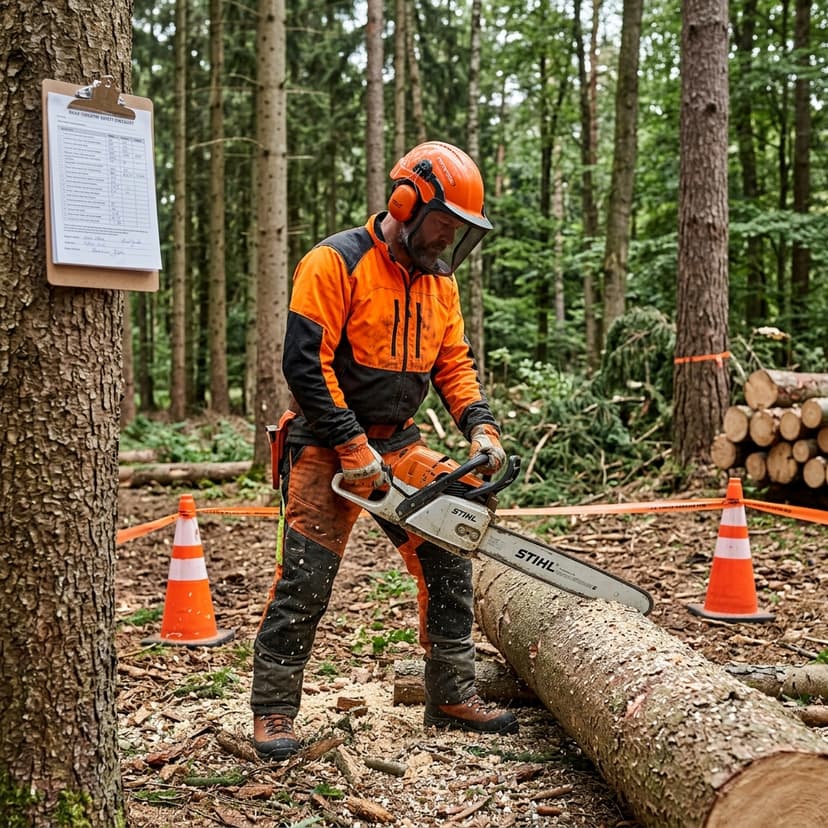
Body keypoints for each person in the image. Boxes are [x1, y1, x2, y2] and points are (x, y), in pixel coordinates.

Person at [251, 141, 518, 760]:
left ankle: (452, 692)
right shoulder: (335, 262)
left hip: (399, 441)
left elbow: (453, 364)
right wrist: (348, 443)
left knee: (452, 547)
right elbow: (304, 363)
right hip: (326, 444)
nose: (445, 241)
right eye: (441, 225)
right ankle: (273, 709)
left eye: (458, 231)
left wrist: (481, 427)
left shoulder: (439, 283)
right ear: (406, 203)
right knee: (306, 578)